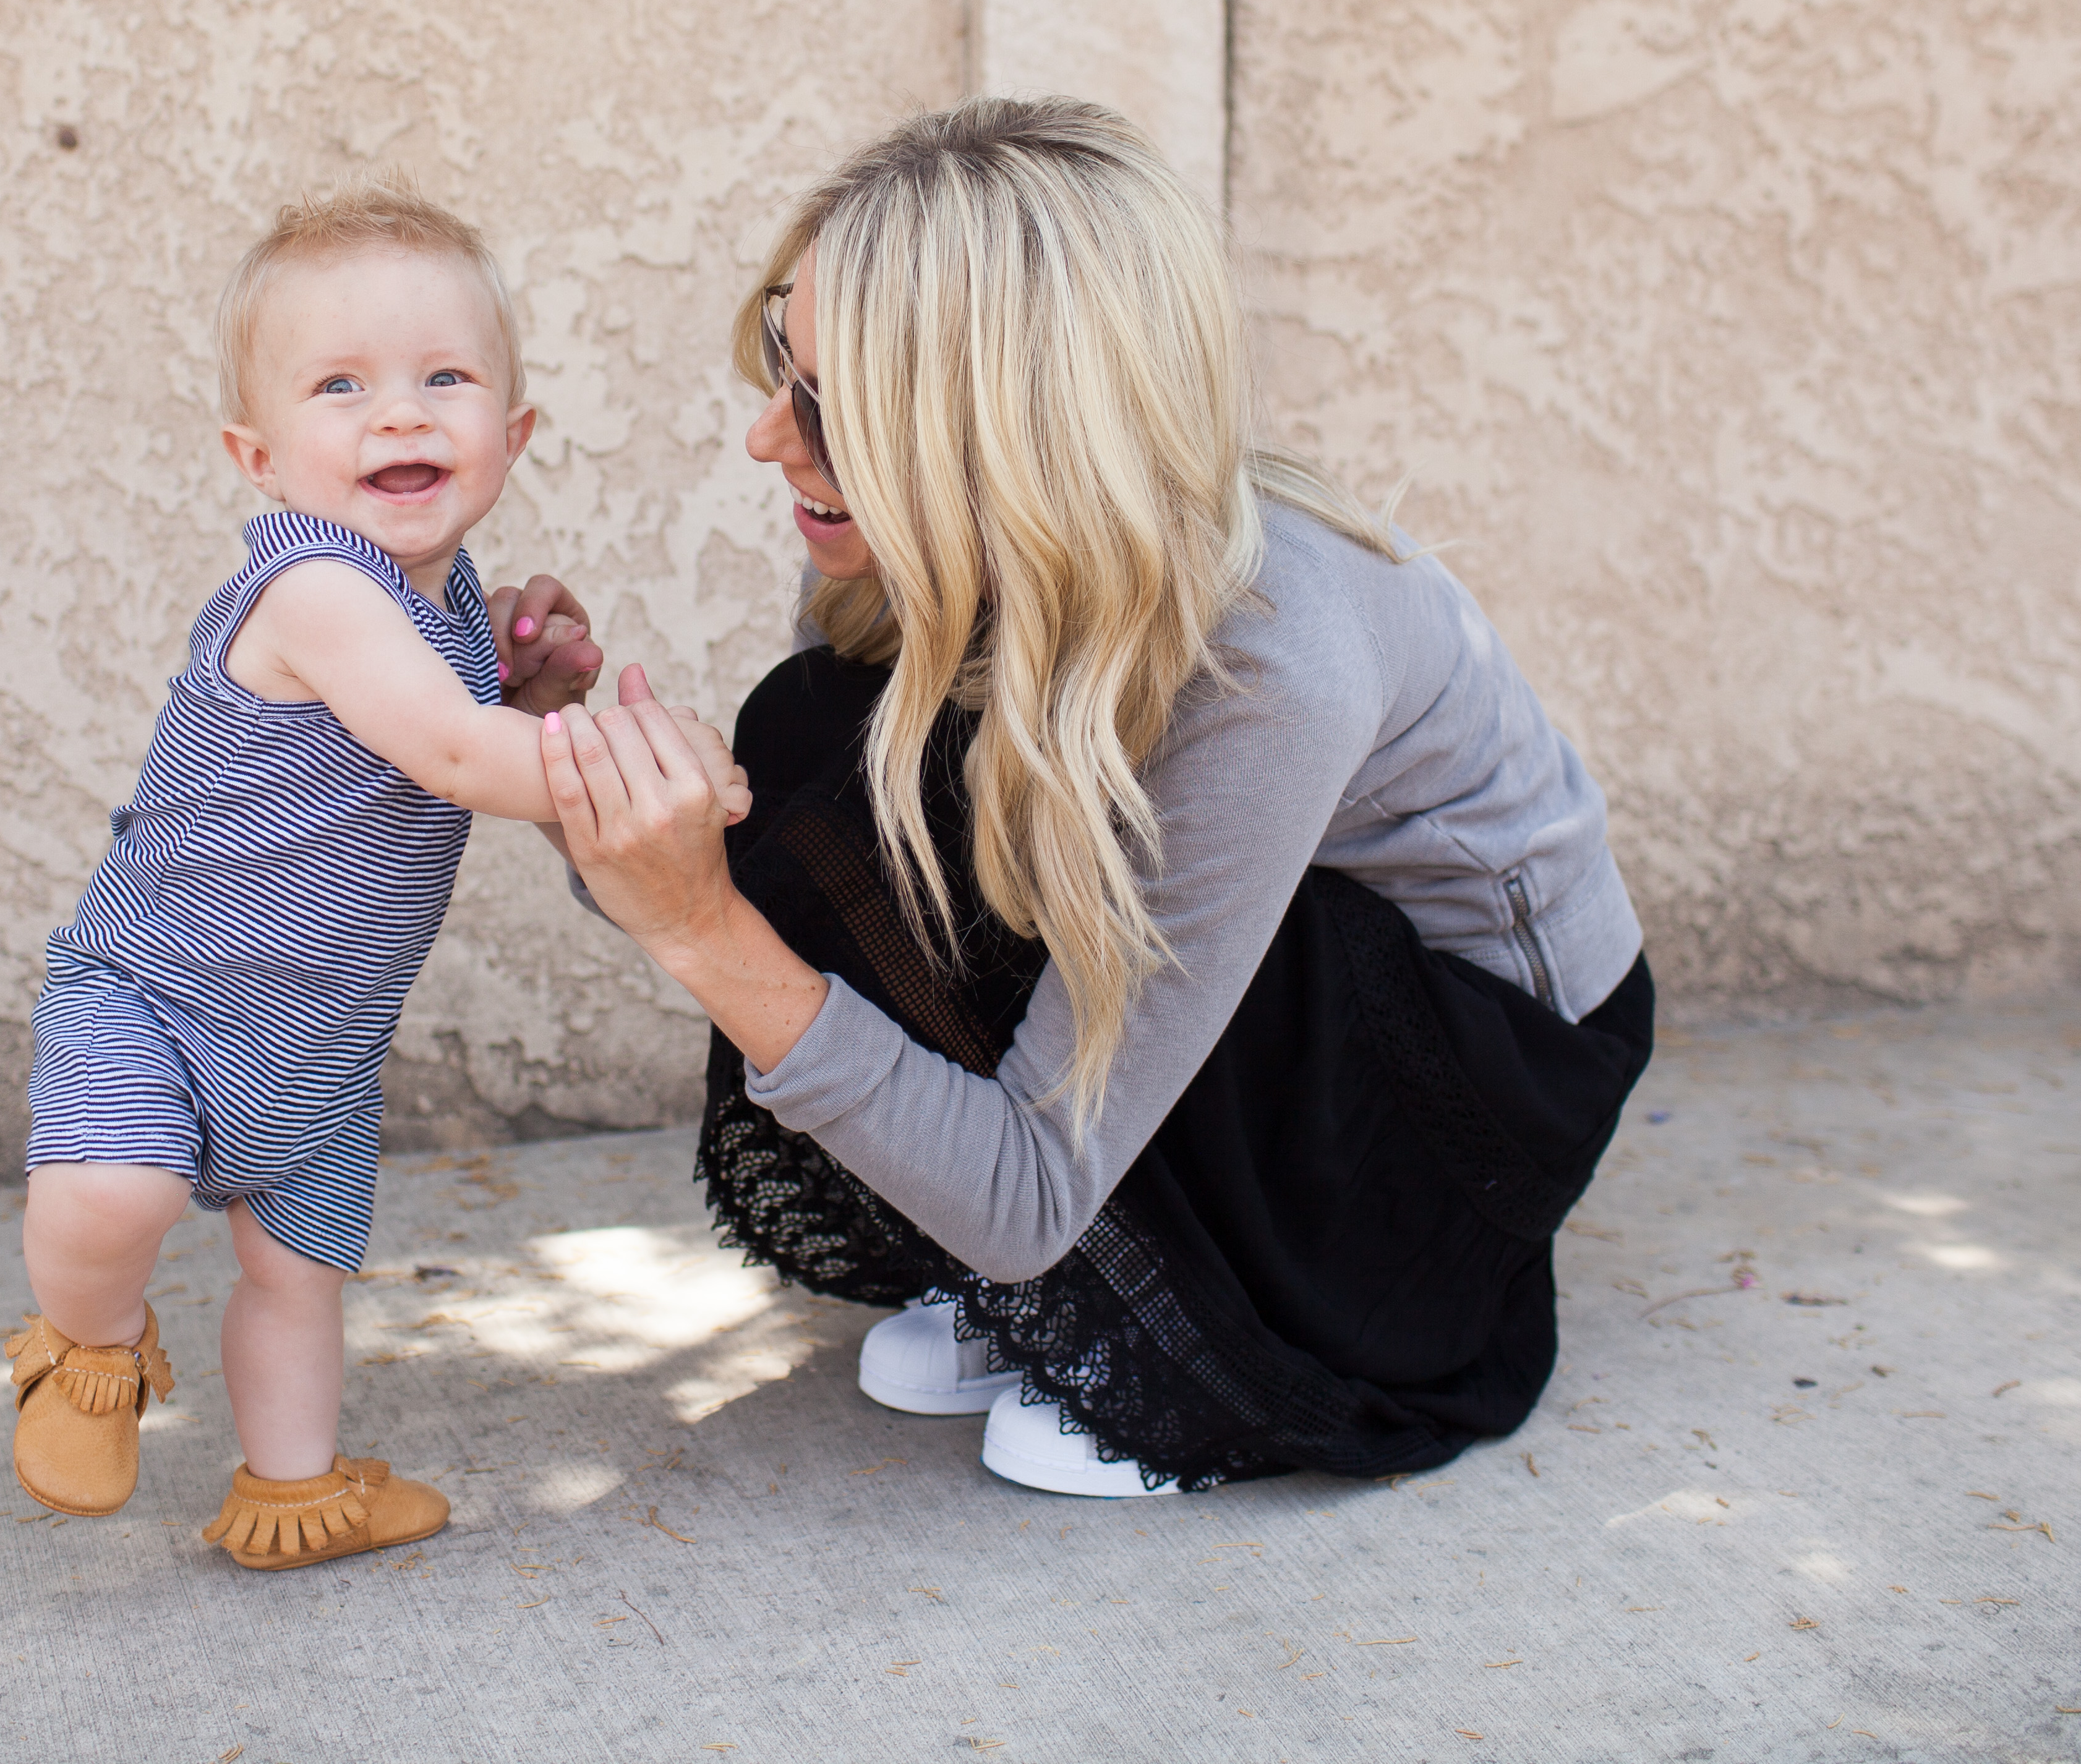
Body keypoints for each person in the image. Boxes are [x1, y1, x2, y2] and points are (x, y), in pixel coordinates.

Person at [535, 98, 1654, 1495]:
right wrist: (560, 754)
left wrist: (704, 935)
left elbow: (1019, 1190)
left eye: (832, 407)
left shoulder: (1269, 667)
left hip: (1454, 1069)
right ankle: (1088, 1293)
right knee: (834, 741)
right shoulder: (935, 549)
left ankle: (1195, 1320)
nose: (770, 438)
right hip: (1238, 962)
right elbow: (749, 870)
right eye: (786, 356)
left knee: (1003, 825)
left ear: (1012, 433)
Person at [5, 185, 740, 1569]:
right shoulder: (317, 591)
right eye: (340, 386)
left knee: (297, 1282)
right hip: (156, 995)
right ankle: (85, 1346)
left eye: (443, 379)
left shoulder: (444, 604)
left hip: (322, 1046)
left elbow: (467, 712)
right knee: (112, 1193)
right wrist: (647, 756)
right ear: (259, 453)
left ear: (511, 435)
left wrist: (529, 675)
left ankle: (293, 1494)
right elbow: (460, 756)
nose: (399, 416)